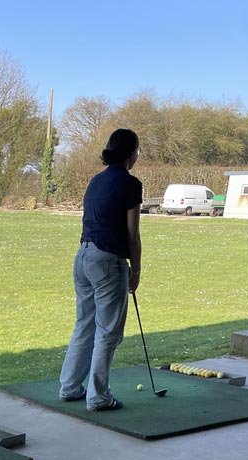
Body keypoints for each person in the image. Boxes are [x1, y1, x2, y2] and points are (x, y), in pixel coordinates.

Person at [58, 128, 142, 411]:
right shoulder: (130, 184)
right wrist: (136, 272)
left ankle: (70, 387)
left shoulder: (96, 180)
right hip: (107, 261)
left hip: (83, 258)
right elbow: (132, 235)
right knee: (107, 332)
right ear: (131, 153)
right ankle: (98, 396)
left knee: (84, 325)